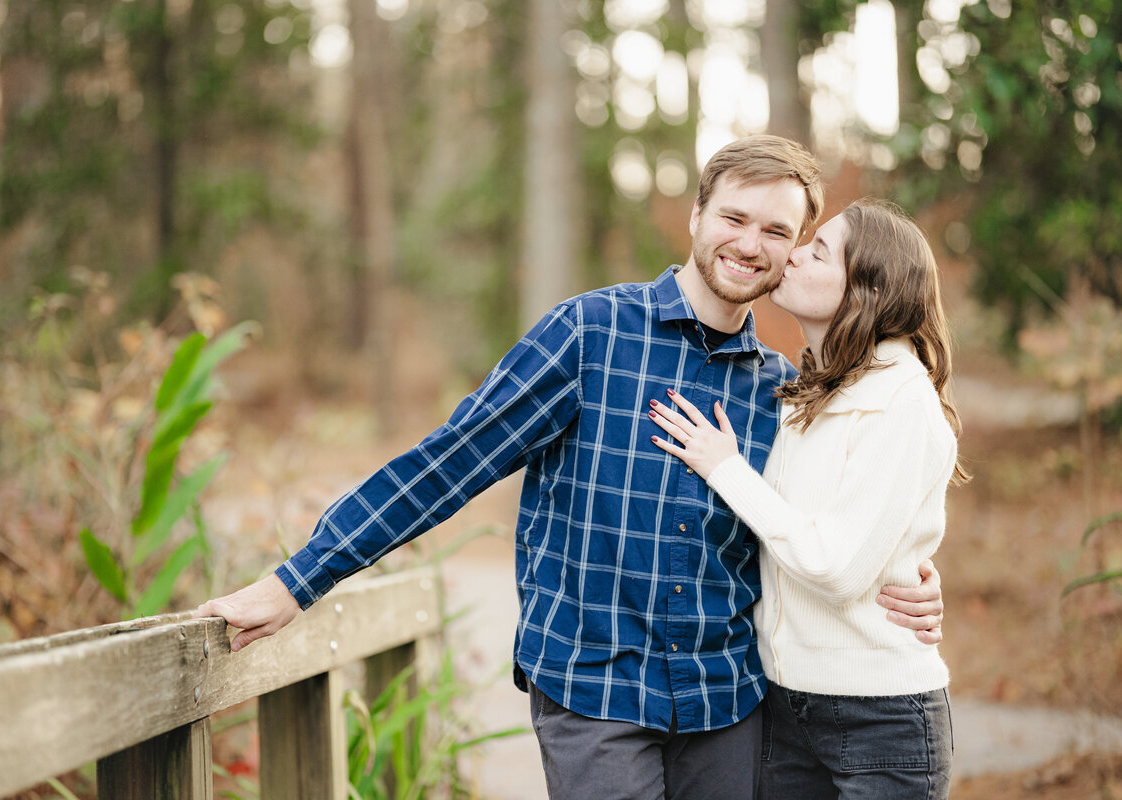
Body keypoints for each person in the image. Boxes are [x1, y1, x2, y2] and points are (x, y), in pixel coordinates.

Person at [194, 137, 945, 800]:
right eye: (734, 218)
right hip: (596, 697)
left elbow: (826, 522)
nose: (750, 244)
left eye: (778, 231)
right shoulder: (588, 335)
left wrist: (910, 577)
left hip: (730, 706)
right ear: (696, 217)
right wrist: (298, 581)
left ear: (793, 248)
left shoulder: (780, 390)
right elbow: (444, 466)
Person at [648, 197, 966, 798]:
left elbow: (838, 567)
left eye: (818, 251)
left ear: (864, 291)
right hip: (786, 708)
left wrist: (726, 469)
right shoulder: (805, 394)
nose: (791, 255)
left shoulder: (901, 400)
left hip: (880, 722)